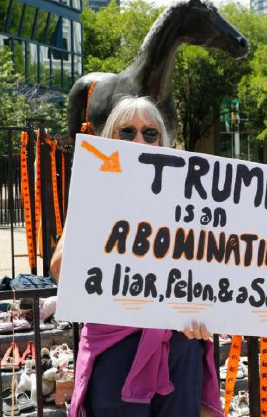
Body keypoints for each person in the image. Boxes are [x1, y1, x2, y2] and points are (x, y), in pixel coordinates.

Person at [50, 96, 222, 417]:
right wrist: (96, 198)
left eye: (150, 133)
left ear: (163, 143)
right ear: (111, 139)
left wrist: (204, 314)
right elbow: (60, 268)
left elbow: (212, 273)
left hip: (179, 346)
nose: (139, 140)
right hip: (115, 349)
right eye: (127, 132)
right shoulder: (93, 191)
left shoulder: (190, 199)